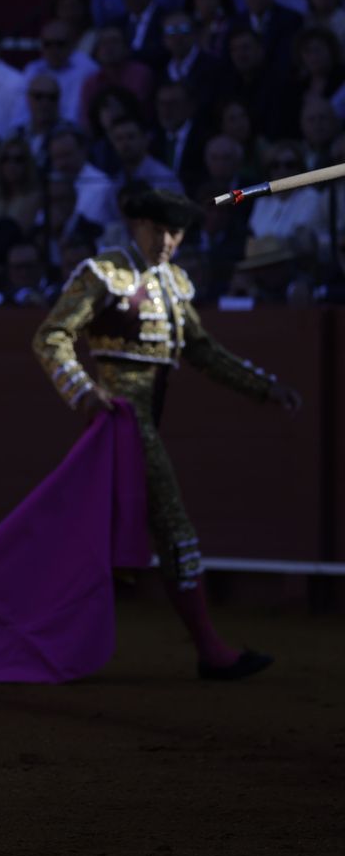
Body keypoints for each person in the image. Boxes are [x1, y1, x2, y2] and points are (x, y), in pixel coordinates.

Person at [31, 185, 303, 679]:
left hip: (143, 420)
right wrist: (83, 391)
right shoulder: (104, 272)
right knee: (173, 527)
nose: (167, 242)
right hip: (122, 421)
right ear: (136, 225)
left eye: (175, 233)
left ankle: (50, 638)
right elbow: (51, 335)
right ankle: (210, 651)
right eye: (158, 230)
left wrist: (265, 387)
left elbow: (202, 349)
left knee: (95, 535)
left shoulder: (174, 282)